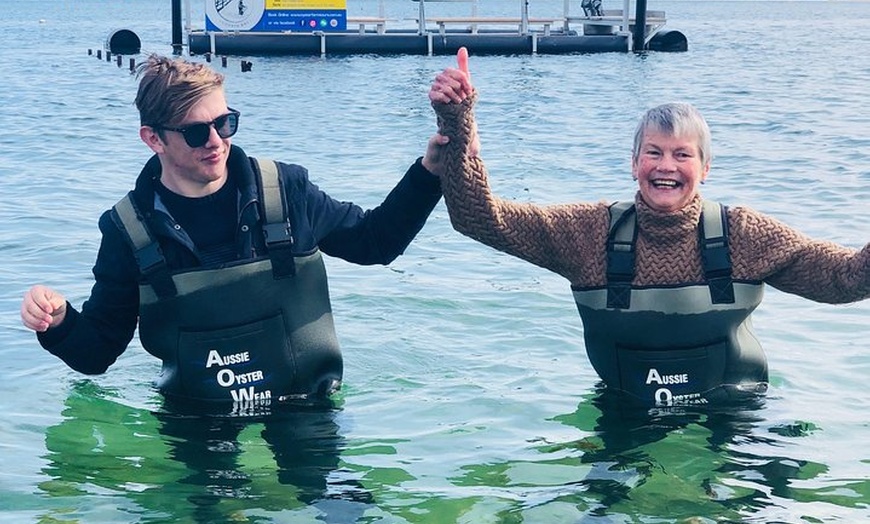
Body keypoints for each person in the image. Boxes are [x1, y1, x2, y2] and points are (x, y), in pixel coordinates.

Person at [427, 48, 869, 407]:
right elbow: (479, 219)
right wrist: (457, 120)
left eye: (682, 155)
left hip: (735, 416)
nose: (666, 167)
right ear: (634, 163)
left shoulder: (745, 234)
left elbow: (844, 278)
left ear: (706, 167)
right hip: (624, 414)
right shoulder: (587, 233)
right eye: (654, 153)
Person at [20, 54, 446, 412]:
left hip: (304, 407)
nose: (215, 141)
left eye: (224, 123)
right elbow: (96, 353)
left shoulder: (286, 191)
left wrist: (429, 174)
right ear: (153, 139)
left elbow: (376, 242)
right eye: (194, 131)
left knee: (341, 509)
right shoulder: (127, 229)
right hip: (195, 419)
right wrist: (56, 322)